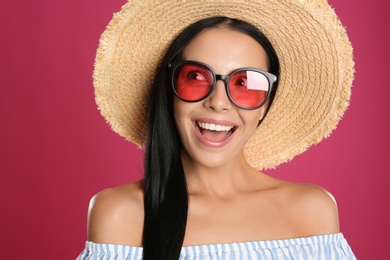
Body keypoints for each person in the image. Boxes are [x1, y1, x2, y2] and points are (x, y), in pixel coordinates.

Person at [77, 0, 356, 259]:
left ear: (265, 105)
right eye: (196, 77)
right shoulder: (120, 214)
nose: (218, 102)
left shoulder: (313, 211)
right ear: (169, 90)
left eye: (245, 83)